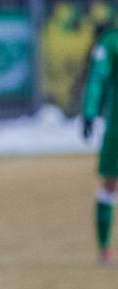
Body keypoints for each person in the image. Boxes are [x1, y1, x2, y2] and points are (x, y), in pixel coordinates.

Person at [82, 27, 118, 264]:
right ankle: (104, 249)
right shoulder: (111, 42)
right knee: (110, 183)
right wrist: (90, 110)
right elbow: (98, 76)